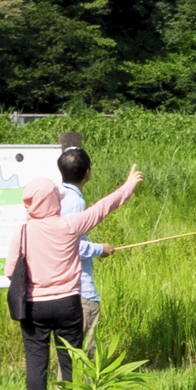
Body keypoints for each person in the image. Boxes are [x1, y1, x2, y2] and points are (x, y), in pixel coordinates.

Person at [18, 160, 140, 390]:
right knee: (71, 357)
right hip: (67, 303)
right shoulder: (69, 225)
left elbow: (9, 270)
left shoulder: (24, 230)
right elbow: (103, 207)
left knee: (36, 363)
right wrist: (128, 186)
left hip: (34, 305)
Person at [57, 140, 112, 338]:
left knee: (68, 351)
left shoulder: (59, 196)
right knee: (83, 350)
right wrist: (100, 249)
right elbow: (72, 245)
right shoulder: (74, 201)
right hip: (79, 289)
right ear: (87, 173)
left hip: (61, 289)